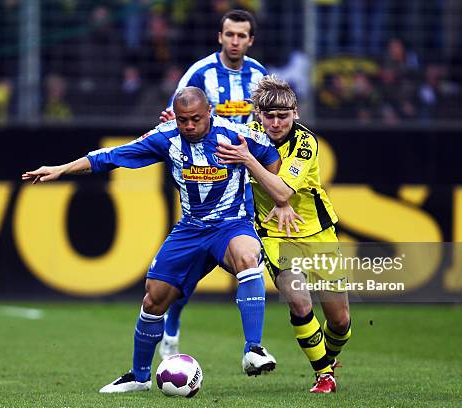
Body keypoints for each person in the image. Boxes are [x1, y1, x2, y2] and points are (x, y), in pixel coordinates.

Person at [22, 87, 279, 393]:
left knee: (249, 256)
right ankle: (140, 376)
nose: (189, 126)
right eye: (183, 120)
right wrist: (62, 169)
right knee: (153, 299)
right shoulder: (165, 136)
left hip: (231, 224)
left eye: (195, 119)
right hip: (190, 229)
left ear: (209, 111)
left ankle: (254, 349)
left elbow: (271, 156)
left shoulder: (236, 134)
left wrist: (272, 198)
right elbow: (109, 157)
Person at [215, 76, 352, 393]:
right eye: (270, 116)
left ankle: (327, 360)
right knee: (299, 302)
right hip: (274, 235)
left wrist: (269, 184)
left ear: (296, 114)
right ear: (258, 115)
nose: (276, 123)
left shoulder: (306, 144)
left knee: (340, 322)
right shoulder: (246, 136)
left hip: (317, 233)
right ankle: (324, 377)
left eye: (283, 116)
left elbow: (282, 188)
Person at [158, 8, 268, 359]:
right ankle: (171, 323)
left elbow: (269, 123)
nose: (235, 41)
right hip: (204, 178)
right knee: (194, 262)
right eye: (229, 34)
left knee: (249, 257)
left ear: (250, 40)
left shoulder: (259, 75)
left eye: (241, 36)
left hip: (245, 177)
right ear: (220, 37)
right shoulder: (200, 73)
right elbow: (173, 115)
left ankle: (254, 347)